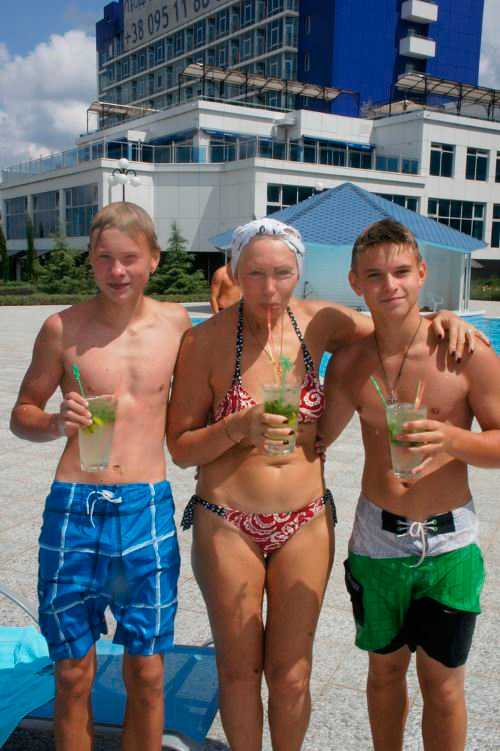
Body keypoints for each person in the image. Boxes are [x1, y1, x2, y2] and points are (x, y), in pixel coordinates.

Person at [166, 217, 482, 751]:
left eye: (283, 274)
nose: (270, 288)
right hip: (227, 519)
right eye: (255, 273)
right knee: (239, 670)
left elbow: (395, 321)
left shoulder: (322, 322)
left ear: (299, 273)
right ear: (235, 272)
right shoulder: (204, 341)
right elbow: (180, 448)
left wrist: (443, 319)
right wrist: (237, 427)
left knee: (291, 674)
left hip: (305, 519)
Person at [10, 202, 191, 751]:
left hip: (146, 505)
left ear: (153, 259)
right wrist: (53, 422)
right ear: (90, 260)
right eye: (105, 258)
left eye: (129, 258)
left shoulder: (176, 325)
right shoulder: (62, 328)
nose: (117, 271)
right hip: (74, 507)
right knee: (71, 674)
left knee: (149, 672)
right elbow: (21, 414)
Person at [319, 218, 500, 751]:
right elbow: (317, 439)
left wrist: (452, 439)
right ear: (355, 283)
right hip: (377, 539)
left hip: (449, 544)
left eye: (401, 272)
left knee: (443, 686)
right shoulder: (350, 364)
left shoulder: (465, 352)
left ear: (422, 272)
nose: (390, 285)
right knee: (383, 674)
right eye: (374, 275)